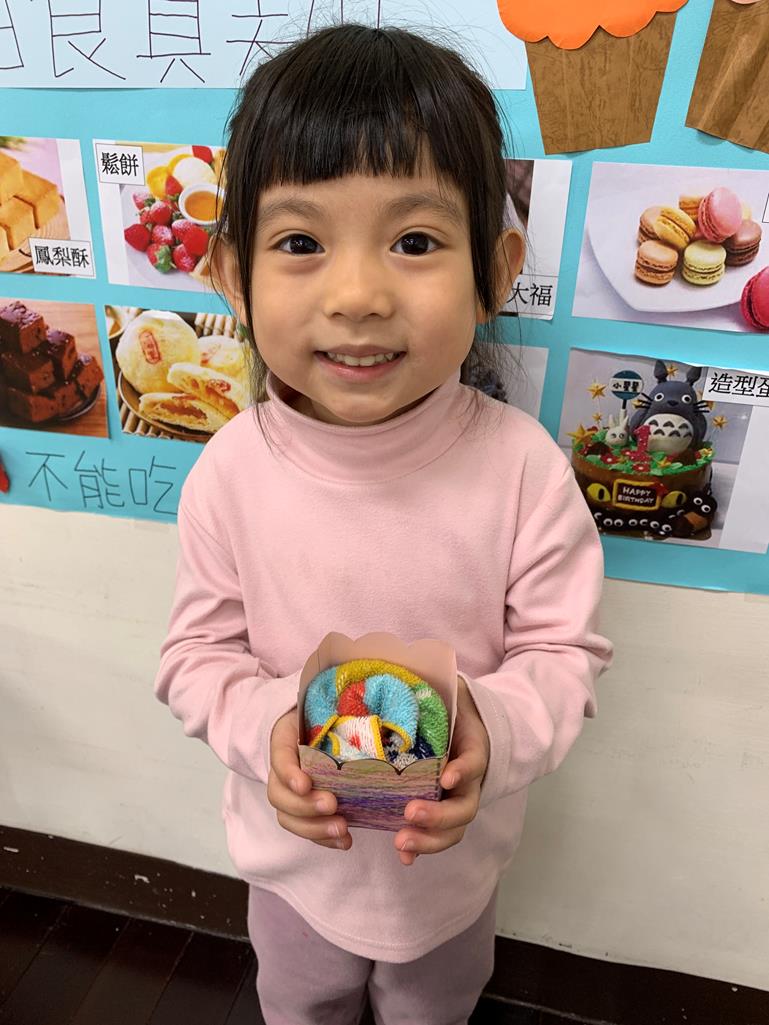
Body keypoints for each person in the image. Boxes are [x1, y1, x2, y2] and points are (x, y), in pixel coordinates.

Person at [155, 23, 612, 1025]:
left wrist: (490, 727)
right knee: (302, 1001)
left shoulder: (522, 469)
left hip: (451, 868)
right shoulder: (230, 470)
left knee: (433, 1005)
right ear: (232, 275)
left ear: (494, 269)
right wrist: (265, 728)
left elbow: (562, 653)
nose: (358, 296)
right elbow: (195, 655)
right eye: (300, 243)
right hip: (295, 864)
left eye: (414, 241)